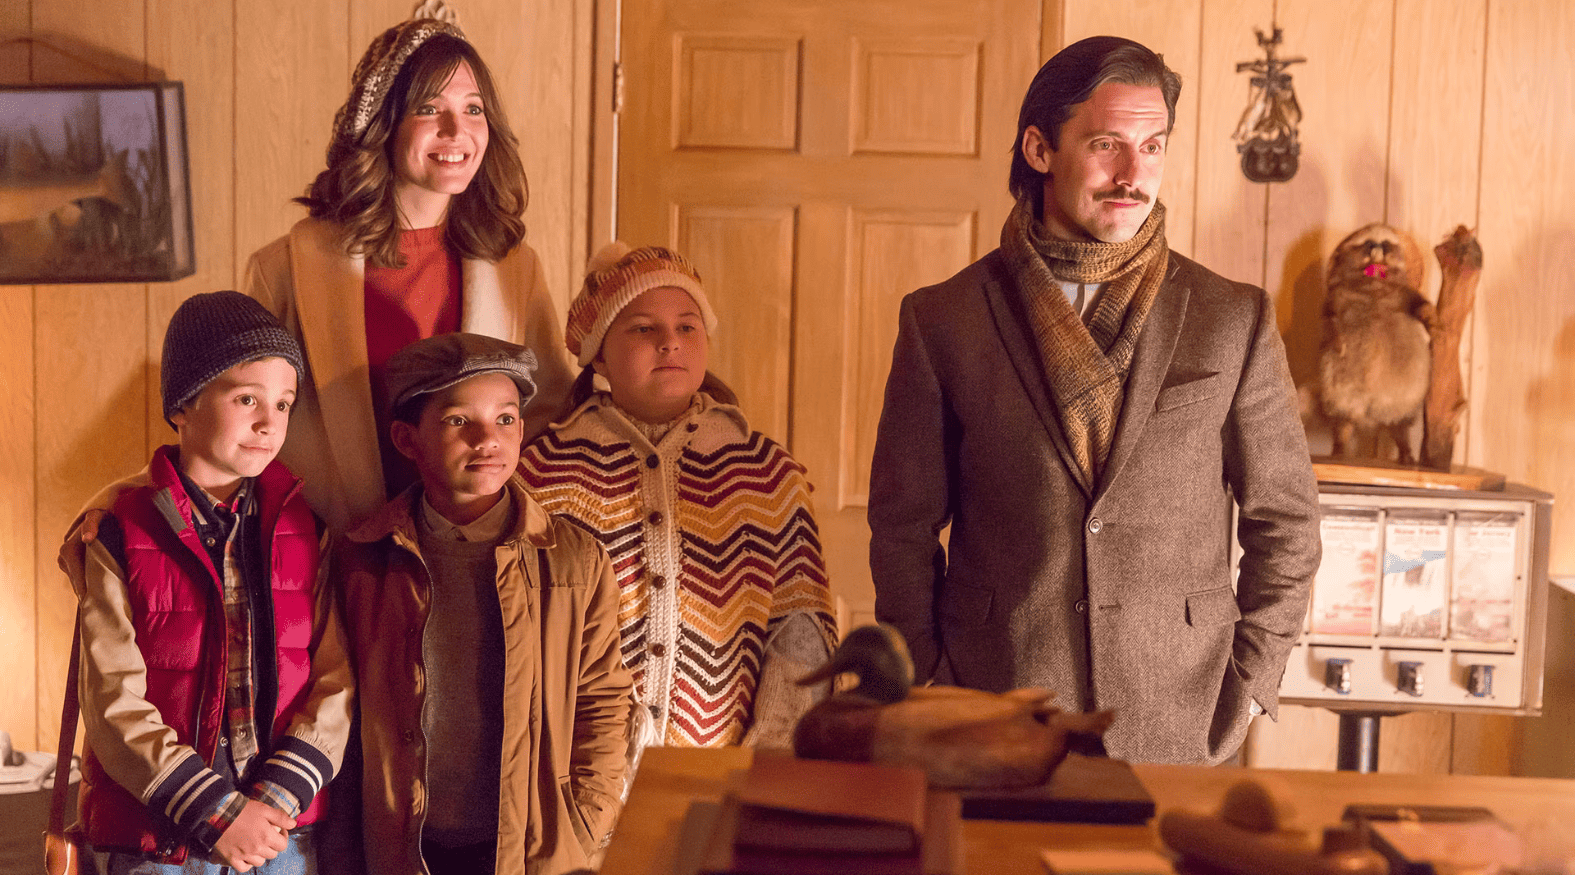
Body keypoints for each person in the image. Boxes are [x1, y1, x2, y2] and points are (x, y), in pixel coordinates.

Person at [866, 35, 1320, 766]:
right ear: (1040, 148)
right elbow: (901, 526)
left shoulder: (1230, 317)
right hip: (993, 702)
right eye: (1107, 144)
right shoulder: (943, 319)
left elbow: (1286, 521)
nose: (1132, 174)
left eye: (1153, 145)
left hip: (1183, 711)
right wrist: (925, 675)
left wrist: (1250, 678)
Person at [62, 291, 354, 873]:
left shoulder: (307, 529)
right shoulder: (118, 532)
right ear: (184, 405)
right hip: (158, 837)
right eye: (246, 398)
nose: (270, 422)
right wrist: (218, 813)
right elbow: (112, 703)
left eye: (284, 402)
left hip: (281, 833)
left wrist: (272, 804)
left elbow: (336, 678)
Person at [244, 17, 572, 533]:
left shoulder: (515, 267)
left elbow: (556, 416)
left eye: (473, 109)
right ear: (383, 122)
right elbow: (231, 420)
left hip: (472, 557)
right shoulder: (284, 267)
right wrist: (121, 499)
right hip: (332, 559)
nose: (456, 131)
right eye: (429, 109)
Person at [517, 243, 838, 753]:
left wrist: (768, 758)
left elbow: (800, 631)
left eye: (687, 326)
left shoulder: (767, 473)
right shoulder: (543, 475)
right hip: (577, 784)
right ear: (599, 352)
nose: (671, 342)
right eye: (644, 328)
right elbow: (520, 638)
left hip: (721, 773)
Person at [333, 332, 631, 875]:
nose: (487, 439)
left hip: (529, 846)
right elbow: (343, 721)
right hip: (402, 847)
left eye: (506, 419)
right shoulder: (363, 561)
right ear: (407, 439)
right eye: (457, 421)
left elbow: (604, 701)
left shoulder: (572, 560)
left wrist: (585, 822)